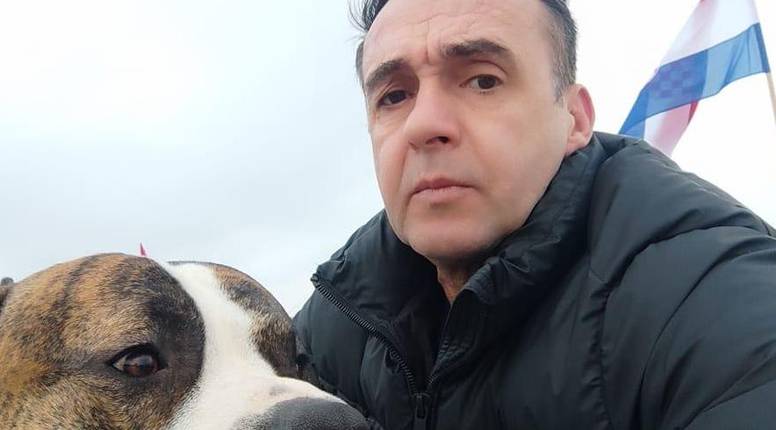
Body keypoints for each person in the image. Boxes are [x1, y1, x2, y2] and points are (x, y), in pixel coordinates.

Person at [293, 0, 776, 428]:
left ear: (575, 119)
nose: (423, 124)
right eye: (394, 96)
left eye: (483, 80)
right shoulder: (342, 314)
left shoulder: (710, 296)